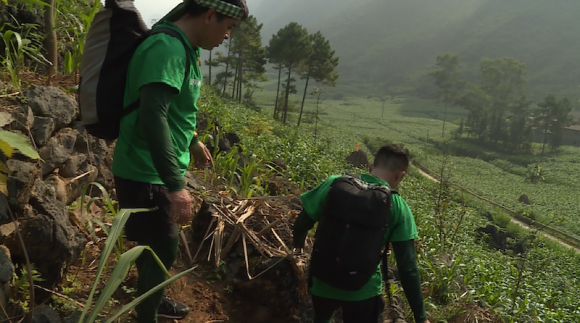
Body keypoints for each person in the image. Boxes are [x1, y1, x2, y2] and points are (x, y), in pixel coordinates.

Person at [111, 1, 248, 322]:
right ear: (210, 16)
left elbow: (175, 109)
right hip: (147, 171)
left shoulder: (183, 48)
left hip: (152, 167)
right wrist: (175, 185)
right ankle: (145, 314)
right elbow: (152, 115)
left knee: (153, 243)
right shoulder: (168, 48)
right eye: (228, 27)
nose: (228, 35)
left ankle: (151, 300)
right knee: (164, 246)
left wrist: (193, 141)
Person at [293, 144, 430, 323]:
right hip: (363, 290)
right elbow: (408, 267)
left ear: (370, 167)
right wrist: (421, 317)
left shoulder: (334, 183)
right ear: (400, 175)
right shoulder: (397, 206)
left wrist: (297, 249)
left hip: (322, 281)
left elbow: (303, 222)